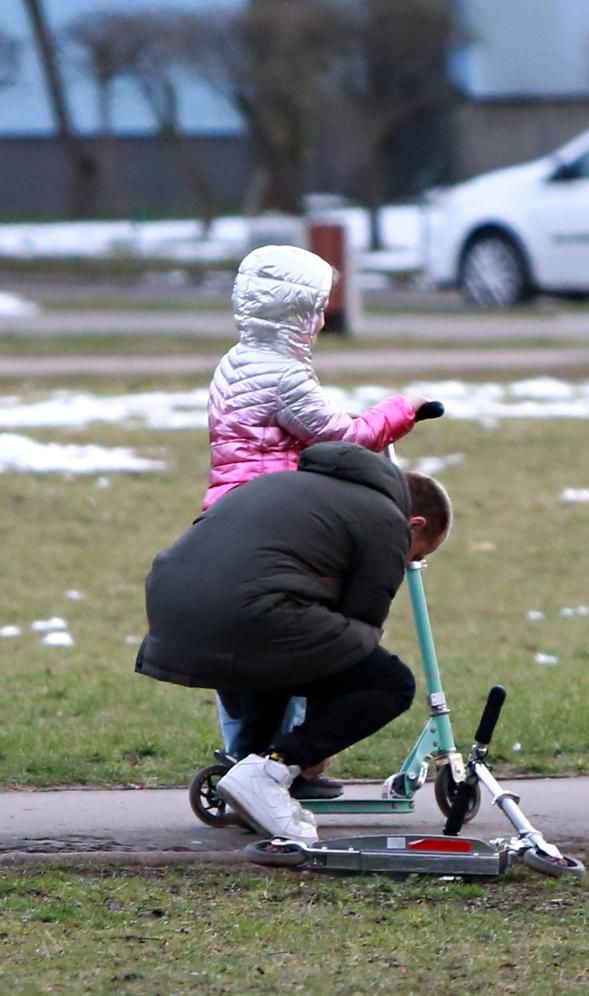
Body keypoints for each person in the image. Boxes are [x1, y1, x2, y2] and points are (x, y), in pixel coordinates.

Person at [135, 441, 452, 844]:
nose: (406, 564)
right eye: (416, 555)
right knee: (389, 683)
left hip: (174, 609)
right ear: (416, 525)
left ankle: (248, 774)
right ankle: (271, 771)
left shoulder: (287, 483)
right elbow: (357, 629)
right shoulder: (385, 518)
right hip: (248, 614)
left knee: (281, 652)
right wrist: (312, 746)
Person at [202, 244, 430, 797]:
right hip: (277, 520)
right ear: (295, 315)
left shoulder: (234, 362)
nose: (324, 320)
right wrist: (400, 412)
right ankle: (287, 764)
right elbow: (343, 438)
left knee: (270, 662)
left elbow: (291, 432)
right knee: (321, 645)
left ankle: (254, 760)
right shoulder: (284, 375)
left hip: (226, 514)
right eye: (318, 310)